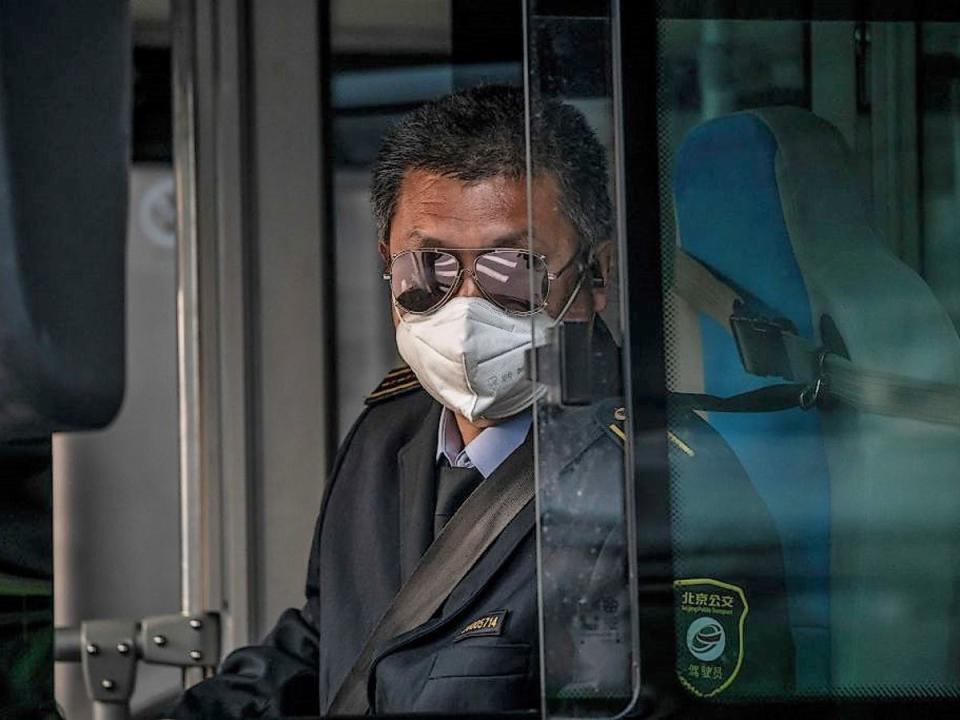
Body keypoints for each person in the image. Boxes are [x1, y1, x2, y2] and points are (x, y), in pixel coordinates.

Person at [173, 85, 793, 718]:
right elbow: (325, 647)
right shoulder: (386, 433)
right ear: (389, 264)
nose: (466, 310)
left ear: (597, 274)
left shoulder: (669, 486)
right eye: (429, 268)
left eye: (516, 268)